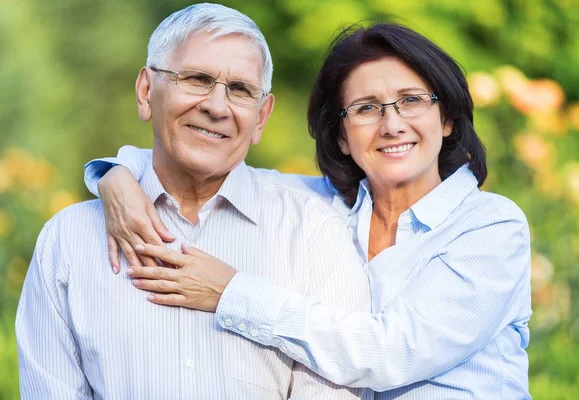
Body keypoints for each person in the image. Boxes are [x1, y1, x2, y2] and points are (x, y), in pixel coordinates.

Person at [85, 23, 532, 399]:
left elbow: (391, 353)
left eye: (412, 100)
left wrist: (230, 292)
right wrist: (118, 174)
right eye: (366, 108)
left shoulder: (491, 227)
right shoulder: (320, 207)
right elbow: (213, 167)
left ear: (447, 118)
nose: (392, 123)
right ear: (340, 136)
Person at [16, 4, 370, 399]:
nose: (217, 107)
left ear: (261, 117)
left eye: (240, 90)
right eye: (197, 79)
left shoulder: (312, 234)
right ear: (146, 91)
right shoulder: (69, 241)